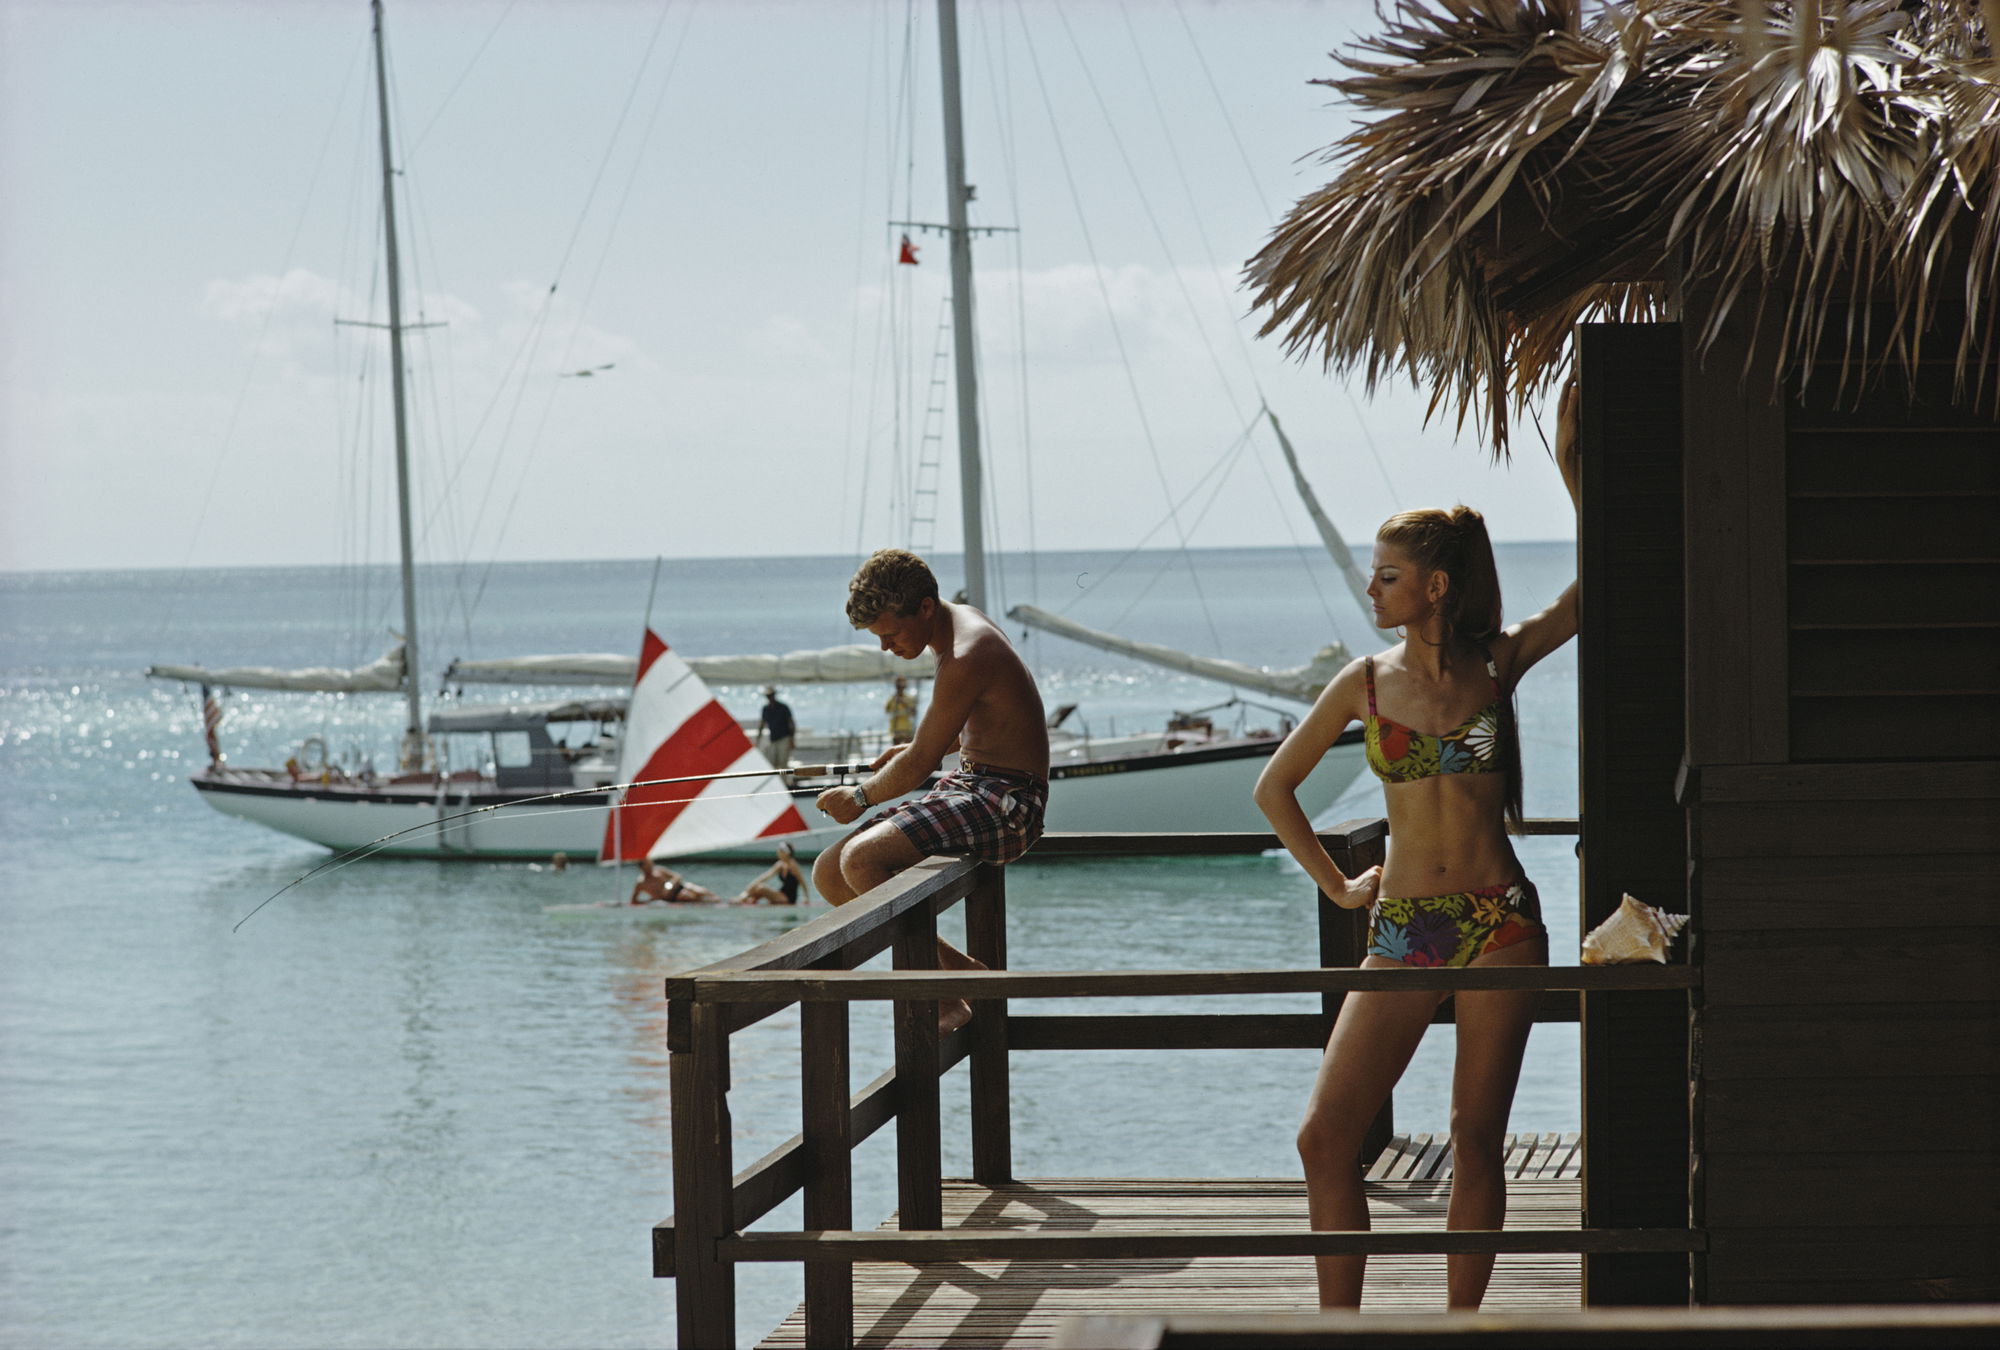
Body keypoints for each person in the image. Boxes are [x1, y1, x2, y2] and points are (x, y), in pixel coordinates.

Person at [1253, 382, 1581, 1312]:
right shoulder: (1361, 683)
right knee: (1326, 1135)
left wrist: (1570, 472)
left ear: (1435, 586)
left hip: (1500, 924)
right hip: (1402, 927)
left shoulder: (1496, 663)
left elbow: (1588, 592)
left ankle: (1461, 1328)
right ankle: (1339, 1329)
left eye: (1386, 575)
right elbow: (1273, 788)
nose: (1370, 587)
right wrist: (1339, 889)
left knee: (1476, 1138)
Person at [813, 548, 1050, 1032]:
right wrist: (925, 744)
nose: (885, 648)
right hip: (972, 783)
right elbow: (989, 721)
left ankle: (948, 988)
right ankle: (955, 972)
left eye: (889, 634)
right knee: (828, 875)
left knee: (861, 861)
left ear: (924, 608)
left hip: (1008, 803)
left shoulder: (966, 653)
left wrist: (858, 799)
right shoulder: (959, 623)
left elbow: (921, 766)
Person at [733, 842, 809, 905]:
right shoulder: (780, 864)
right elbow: (766, 876)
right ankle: (746, 899)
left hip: (788, 898)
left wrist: (806, 898)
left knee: (761, 888)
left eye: (780, 851)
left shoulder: (793, 865)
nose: (778, 852)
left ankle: (741, 899)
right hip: (780, 894)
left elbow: (802, 882)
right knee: (757, 887)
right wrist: (753, 884)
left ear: (786, 853)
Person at [629, 857, 719, 906]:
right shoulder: (641, 883)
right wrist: (650, 901)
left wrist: (669, 886)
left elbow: (677, 876)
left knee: (696, 888)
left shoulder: (659, 870)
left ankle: (718, 900)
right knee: (685, 895)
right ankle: (707, 904)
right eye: (643, 864)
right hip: (671, 898)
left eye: (648, 862)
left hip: (678, 887)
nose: (648, 866)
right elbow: (633, 901)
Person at [758, 686, 795, 771]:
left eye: (771, 695)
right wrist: (758, 739)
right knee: (772, 762)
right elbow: (762, 724)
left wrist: (792, 739)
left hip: (784, 738)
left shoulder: (783, 707)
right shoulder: (766, 709)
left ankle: (784, 782)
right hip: (773, 739)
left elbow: (791, 723)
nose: (770, 698)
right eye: (768, 696)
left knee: (783, 763)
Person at [885, 675, 918, 741]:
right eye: (898, 683)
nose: (900, 686)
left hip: (907, 729)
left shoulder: (909, 698)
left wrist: (904, 703)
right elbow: (887, 710)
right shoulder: (892, 699)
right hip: (895, 730)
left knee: (907, 747)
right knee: (896, 748)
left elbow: (914, 713)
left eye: (902, 683)